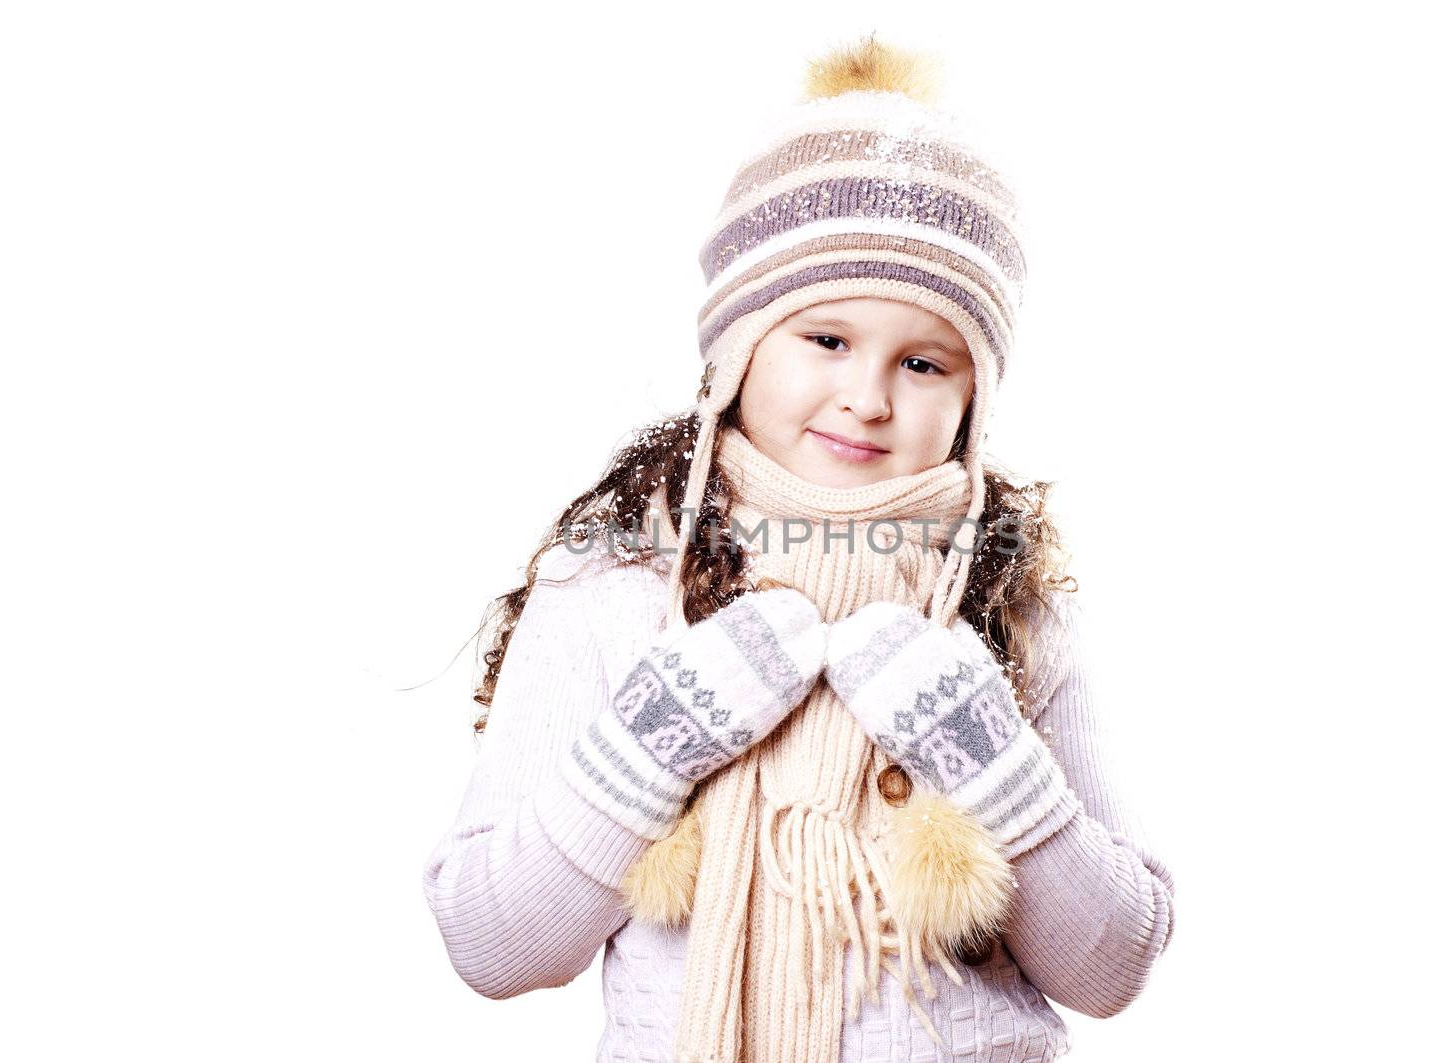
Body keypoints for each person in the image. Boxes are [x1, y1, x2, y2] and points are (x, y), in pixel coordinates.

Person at [422, 33, 1176, 1063]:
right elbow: (489, 941)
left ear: (973, 397)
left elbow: (1114, 967)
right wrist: (650, 743)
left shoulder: (1011, 608)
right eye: (824, 338)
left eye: (921, 360)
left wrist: (992, 764)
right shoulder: (616, 588)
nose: (866, 398)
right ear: (737, 347)